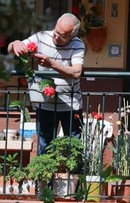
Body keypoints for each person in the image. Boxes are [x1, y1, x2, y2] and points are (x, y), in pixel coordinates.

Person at [8, 13, 85, 154]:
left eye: (62, 36)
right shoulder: (42, 36)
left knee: (73, 149)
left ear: (72, 36)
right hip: (45, 103)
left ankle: (71, 176)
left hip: (71, 104)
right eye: (56, 31)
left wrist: (52, 63)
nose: (56, 36)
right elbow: (11, 48)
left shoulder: (77, 44)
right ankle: (45, 176)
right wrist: (15, 43)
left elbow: (76, 72)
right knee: (44, 147)